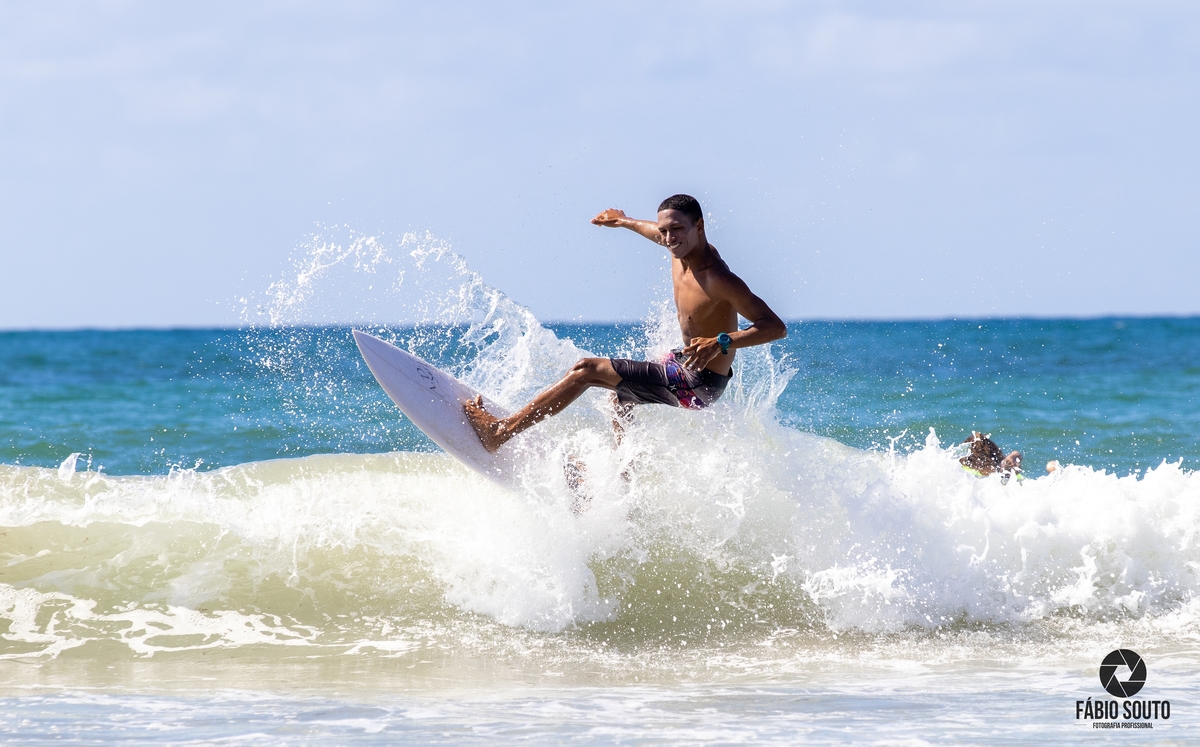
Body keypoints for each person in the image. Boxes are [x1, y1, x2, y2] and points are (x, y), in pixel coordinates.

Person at [463, 194, 787, 453]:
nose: (669, 238)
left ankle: (499, 433)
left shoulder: (716, 277)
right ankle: (625, 479)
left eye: (677, 229)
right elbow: (653, 231)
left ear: (699, 226)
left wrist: (722, 341)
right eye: (665, 231)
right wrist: (623, 221)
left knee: (586, 370)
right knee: (620, 397)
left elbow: (774, 326)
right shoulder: (677, 247)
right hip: (686, 363)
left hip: (699, 383)